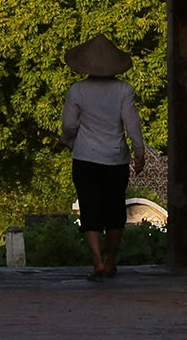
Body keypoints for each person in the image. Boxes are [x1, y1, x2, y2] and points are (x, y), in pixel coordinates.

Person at [60, 34, 147, 282]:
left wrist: (69, 140)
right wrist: (139, 152)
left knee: (90, 208)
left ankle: (97, 260)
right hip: (115, 158)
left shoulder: (77, 90)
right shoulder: (124, 90)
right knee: (114, 210)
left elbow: (68, 124)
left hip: (85, 157)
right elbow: (132, 124)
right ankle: (110, 261)